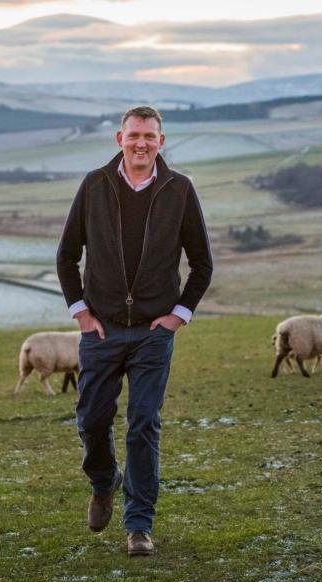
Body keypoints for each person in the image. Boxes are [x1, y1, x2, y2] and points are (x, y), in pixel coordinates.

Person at [56, 105, 213, 556]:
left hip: (152, 332)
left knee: (143, 424)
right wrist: (82, 314)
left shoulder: (179, 189)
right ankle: (104, 481)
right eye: (134, 135)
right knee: (91, 421)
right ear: (118, 138)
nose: (141, 143)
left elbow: (202, 264)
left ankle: (138, 526)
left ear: (161, 142)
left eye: (150, 136)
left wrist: (178, 315)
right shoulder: (94, 185)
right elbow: (67, 256)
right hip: (100, 332)